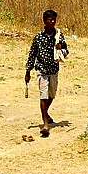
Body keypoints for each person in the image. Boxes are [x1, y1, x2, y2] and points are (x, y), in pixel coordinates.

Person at [25, 9, 69, 137]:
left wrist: (61, 49)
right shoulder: (38, 37)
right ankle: (45, 124)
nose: (53, 22)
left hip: (54, 70)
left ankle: (46, 113)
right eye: (50, 20)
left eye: (54, 19)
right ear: (45, 21)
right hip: (41, 70)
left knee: (51, 94)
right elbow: (32, 54)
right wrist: (28, 71)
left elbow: (66, 52)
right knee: (43, 95)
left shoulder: (59, 35)